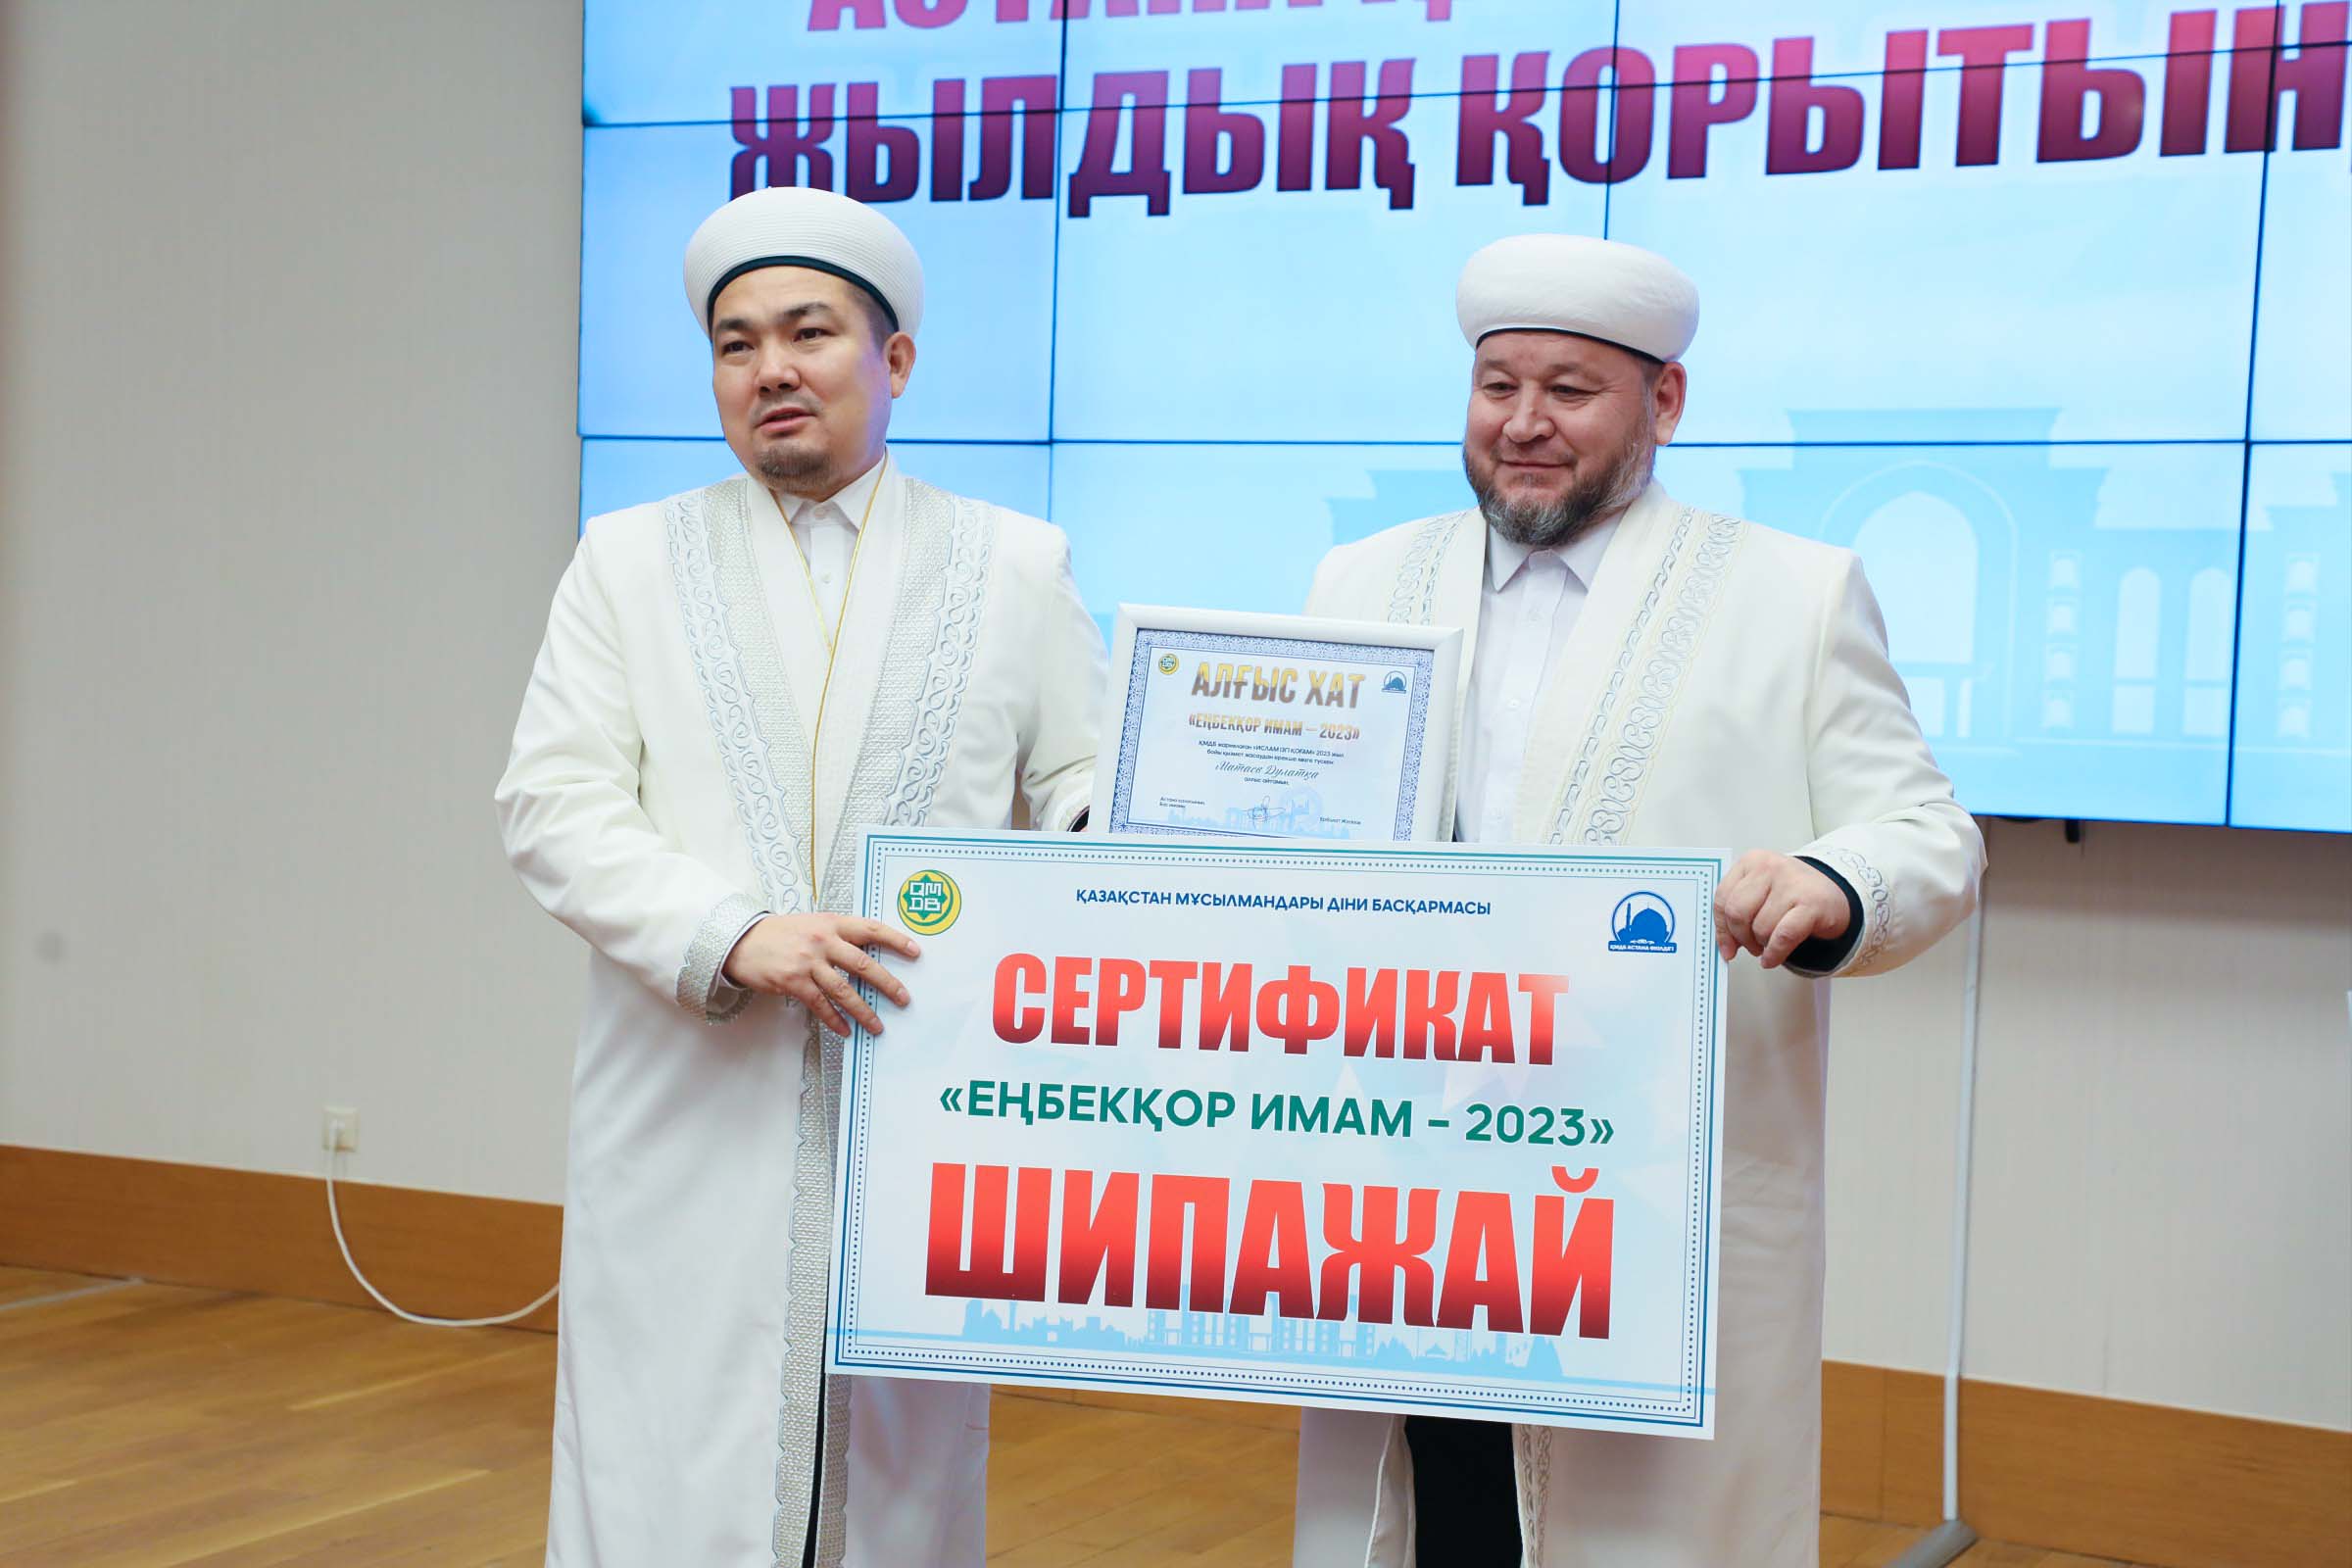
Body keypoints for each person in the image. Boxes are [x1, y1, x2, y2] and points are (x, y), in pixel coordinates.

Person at [1291, 233, 1985, 1567]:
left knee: (1625, 1532)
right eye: (1498, 386)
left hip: (1647, 1186)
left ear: (1664, 401)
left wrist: (1831, 881)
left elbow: (1927, 833)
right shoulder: (1361, 579)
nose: (1524, 424)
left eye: (1570, 390)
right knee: (1434, 1508)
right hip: (1401, 1168)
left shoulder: (1792, 592)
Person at [496, 185, 1105, 1567]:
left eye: (810, 332)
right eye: (737, 344)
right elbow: (551, 801)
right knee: (665, 1468)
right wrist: (732, 933)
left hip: (923, 1111)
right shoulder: (628, 560)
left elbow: (1084, 789)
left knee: (899, 1482)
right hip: (683, 1111)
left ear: (896, 360)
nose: (771, 368)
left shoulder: (1016, 563)